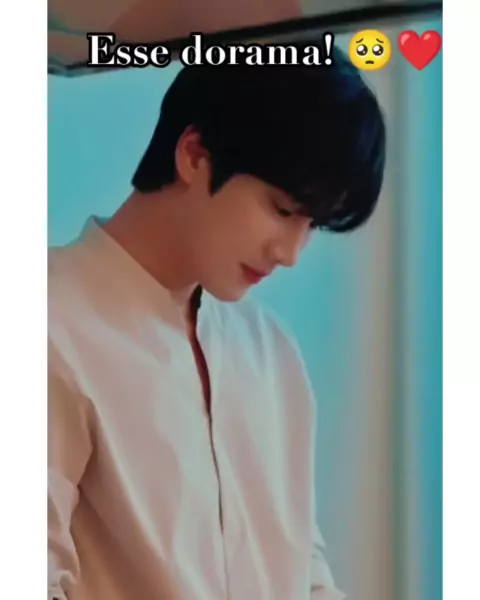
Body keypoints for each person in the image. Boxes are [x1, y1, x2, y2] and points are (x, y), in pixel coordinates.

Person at [48, 42, 385, 600]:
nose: (290, 253)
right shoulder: (49, 321)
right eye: (282, 209)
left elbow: (303, 571)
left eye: (313, 225)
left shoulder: (271, 354)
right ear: (193, 154)